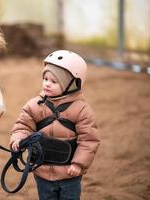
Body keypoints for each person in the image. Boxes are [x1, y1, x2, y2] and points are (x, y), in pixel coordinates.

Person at [10, 50, 100, 200]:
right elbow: (23, 125)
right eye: (45, 78)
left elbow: (89, 140)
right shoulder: (34, 105)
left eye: (54, 81)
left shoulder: (82, 110)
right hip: (42, 172)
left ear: (70, 84)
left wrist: (78, 164)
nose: (47, 84)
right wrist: (18, 139)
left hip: (69, 174)